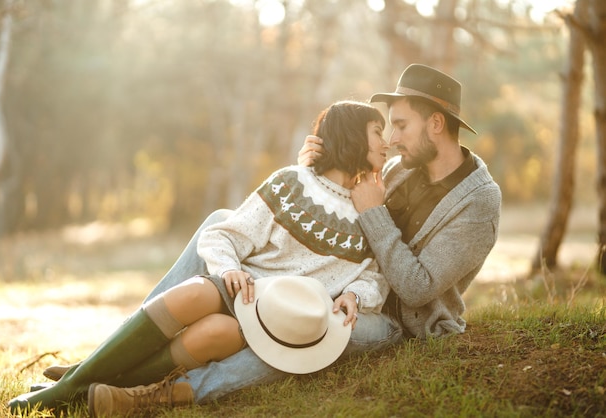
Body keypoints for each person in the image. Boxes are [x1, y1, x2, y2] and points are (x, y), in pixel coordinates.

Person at [41, 63, 502, 414]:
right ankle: (106, 359)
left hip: (395, 317)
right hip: (349, 281)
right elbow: (338, 199)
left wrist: (374, 216)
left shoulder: (478, 204)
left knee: (300, 324)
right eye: (387, 129)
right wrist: (311, 172)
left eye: (399, 126)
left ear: (436, 125)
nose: (394, 139)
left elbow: (417, 287)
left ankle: (161, 394)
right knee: (221, 220)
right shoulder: (403, 166)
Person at [9, 100, 397, 415]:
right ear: (350, 133)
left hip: (272, 321)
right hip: (242, 287)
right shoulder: (292, 182)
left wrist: (357, 295)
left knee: (218, 333)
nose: (386, 142)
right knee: (195, 292)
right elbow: (225, 234)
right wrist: (229, 268)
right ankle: (72, 388)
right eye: (378, 131)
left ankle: (90, 383)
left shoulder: (371, 209)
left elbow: (375, 274)